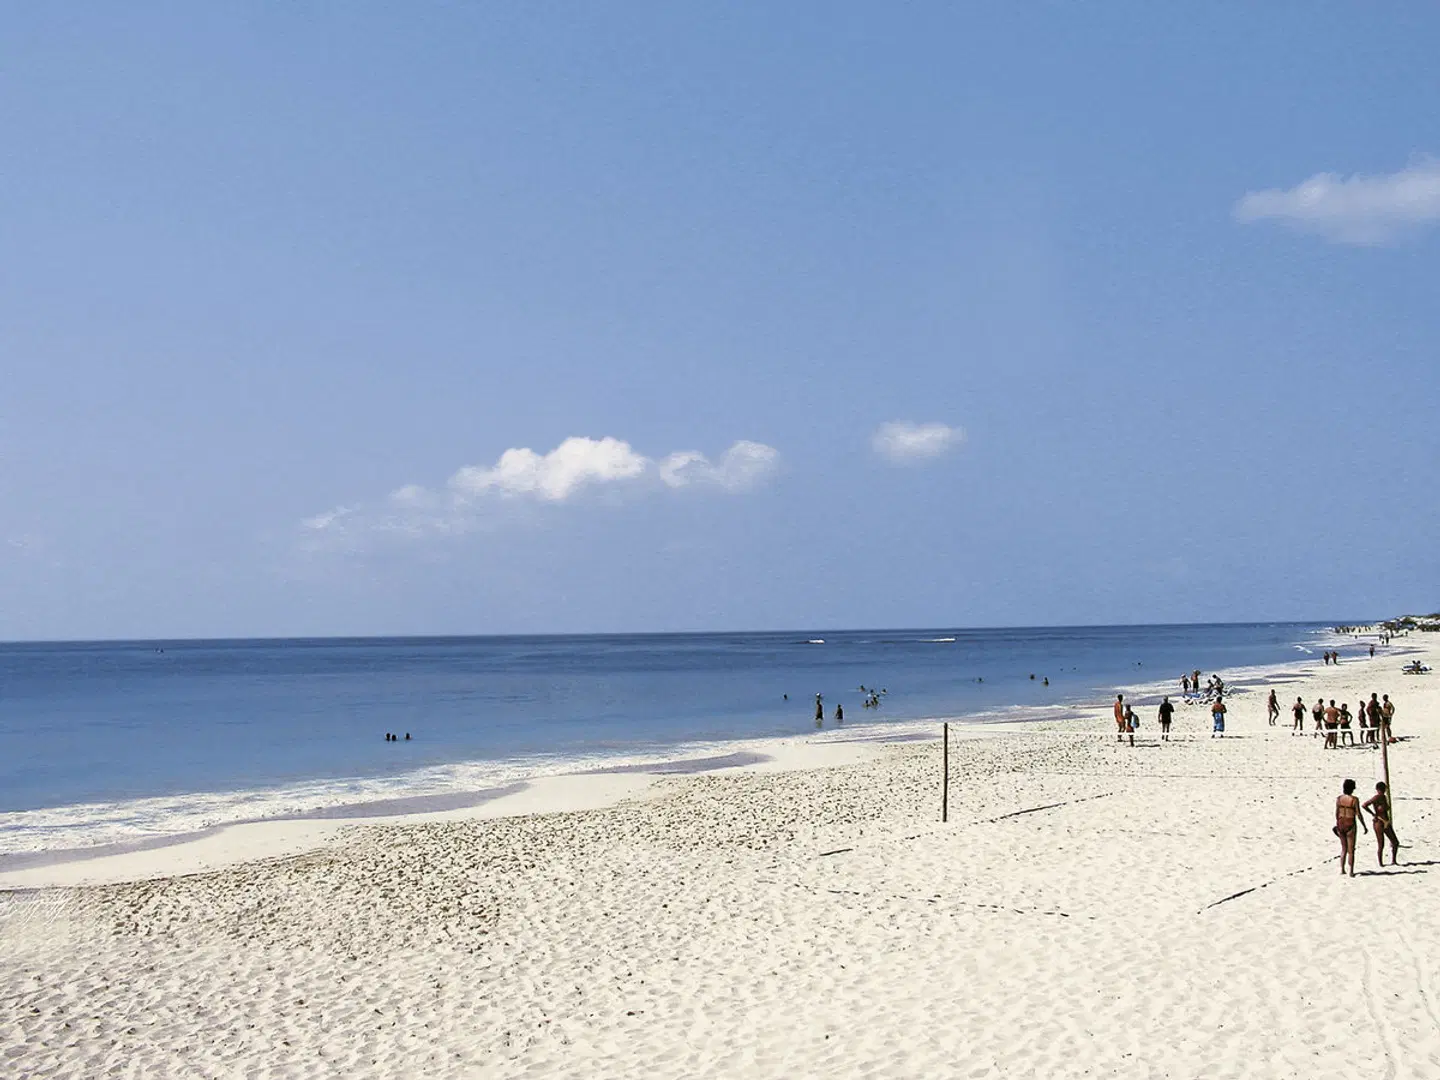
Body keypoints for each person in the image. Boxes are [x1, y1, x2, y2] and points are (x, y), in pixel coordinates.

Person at [1362, 782, 1400, 867]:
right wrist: (1373, 814)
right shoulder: (1377, 797)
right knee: (1381, 844)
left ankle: (1393, 860)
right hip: (1379, 822)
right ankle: (1381, 863)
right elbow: (1364, 805)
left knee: (1395, 842)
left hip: (1385, 821)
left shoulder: (1384, 797)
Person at [1335, 779, 1367, 877]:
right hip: (1350, 823)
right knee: (1351, 850)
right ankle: (1351, 871)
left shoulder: (1339, 799)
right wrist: (1364, 826)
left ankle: (1342, 869)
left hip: (1341, 823)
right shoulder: (1354, 800)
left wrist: (1337, 822)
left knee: (1343, 848)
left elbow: (1336, 813)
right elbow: (1358, 814)